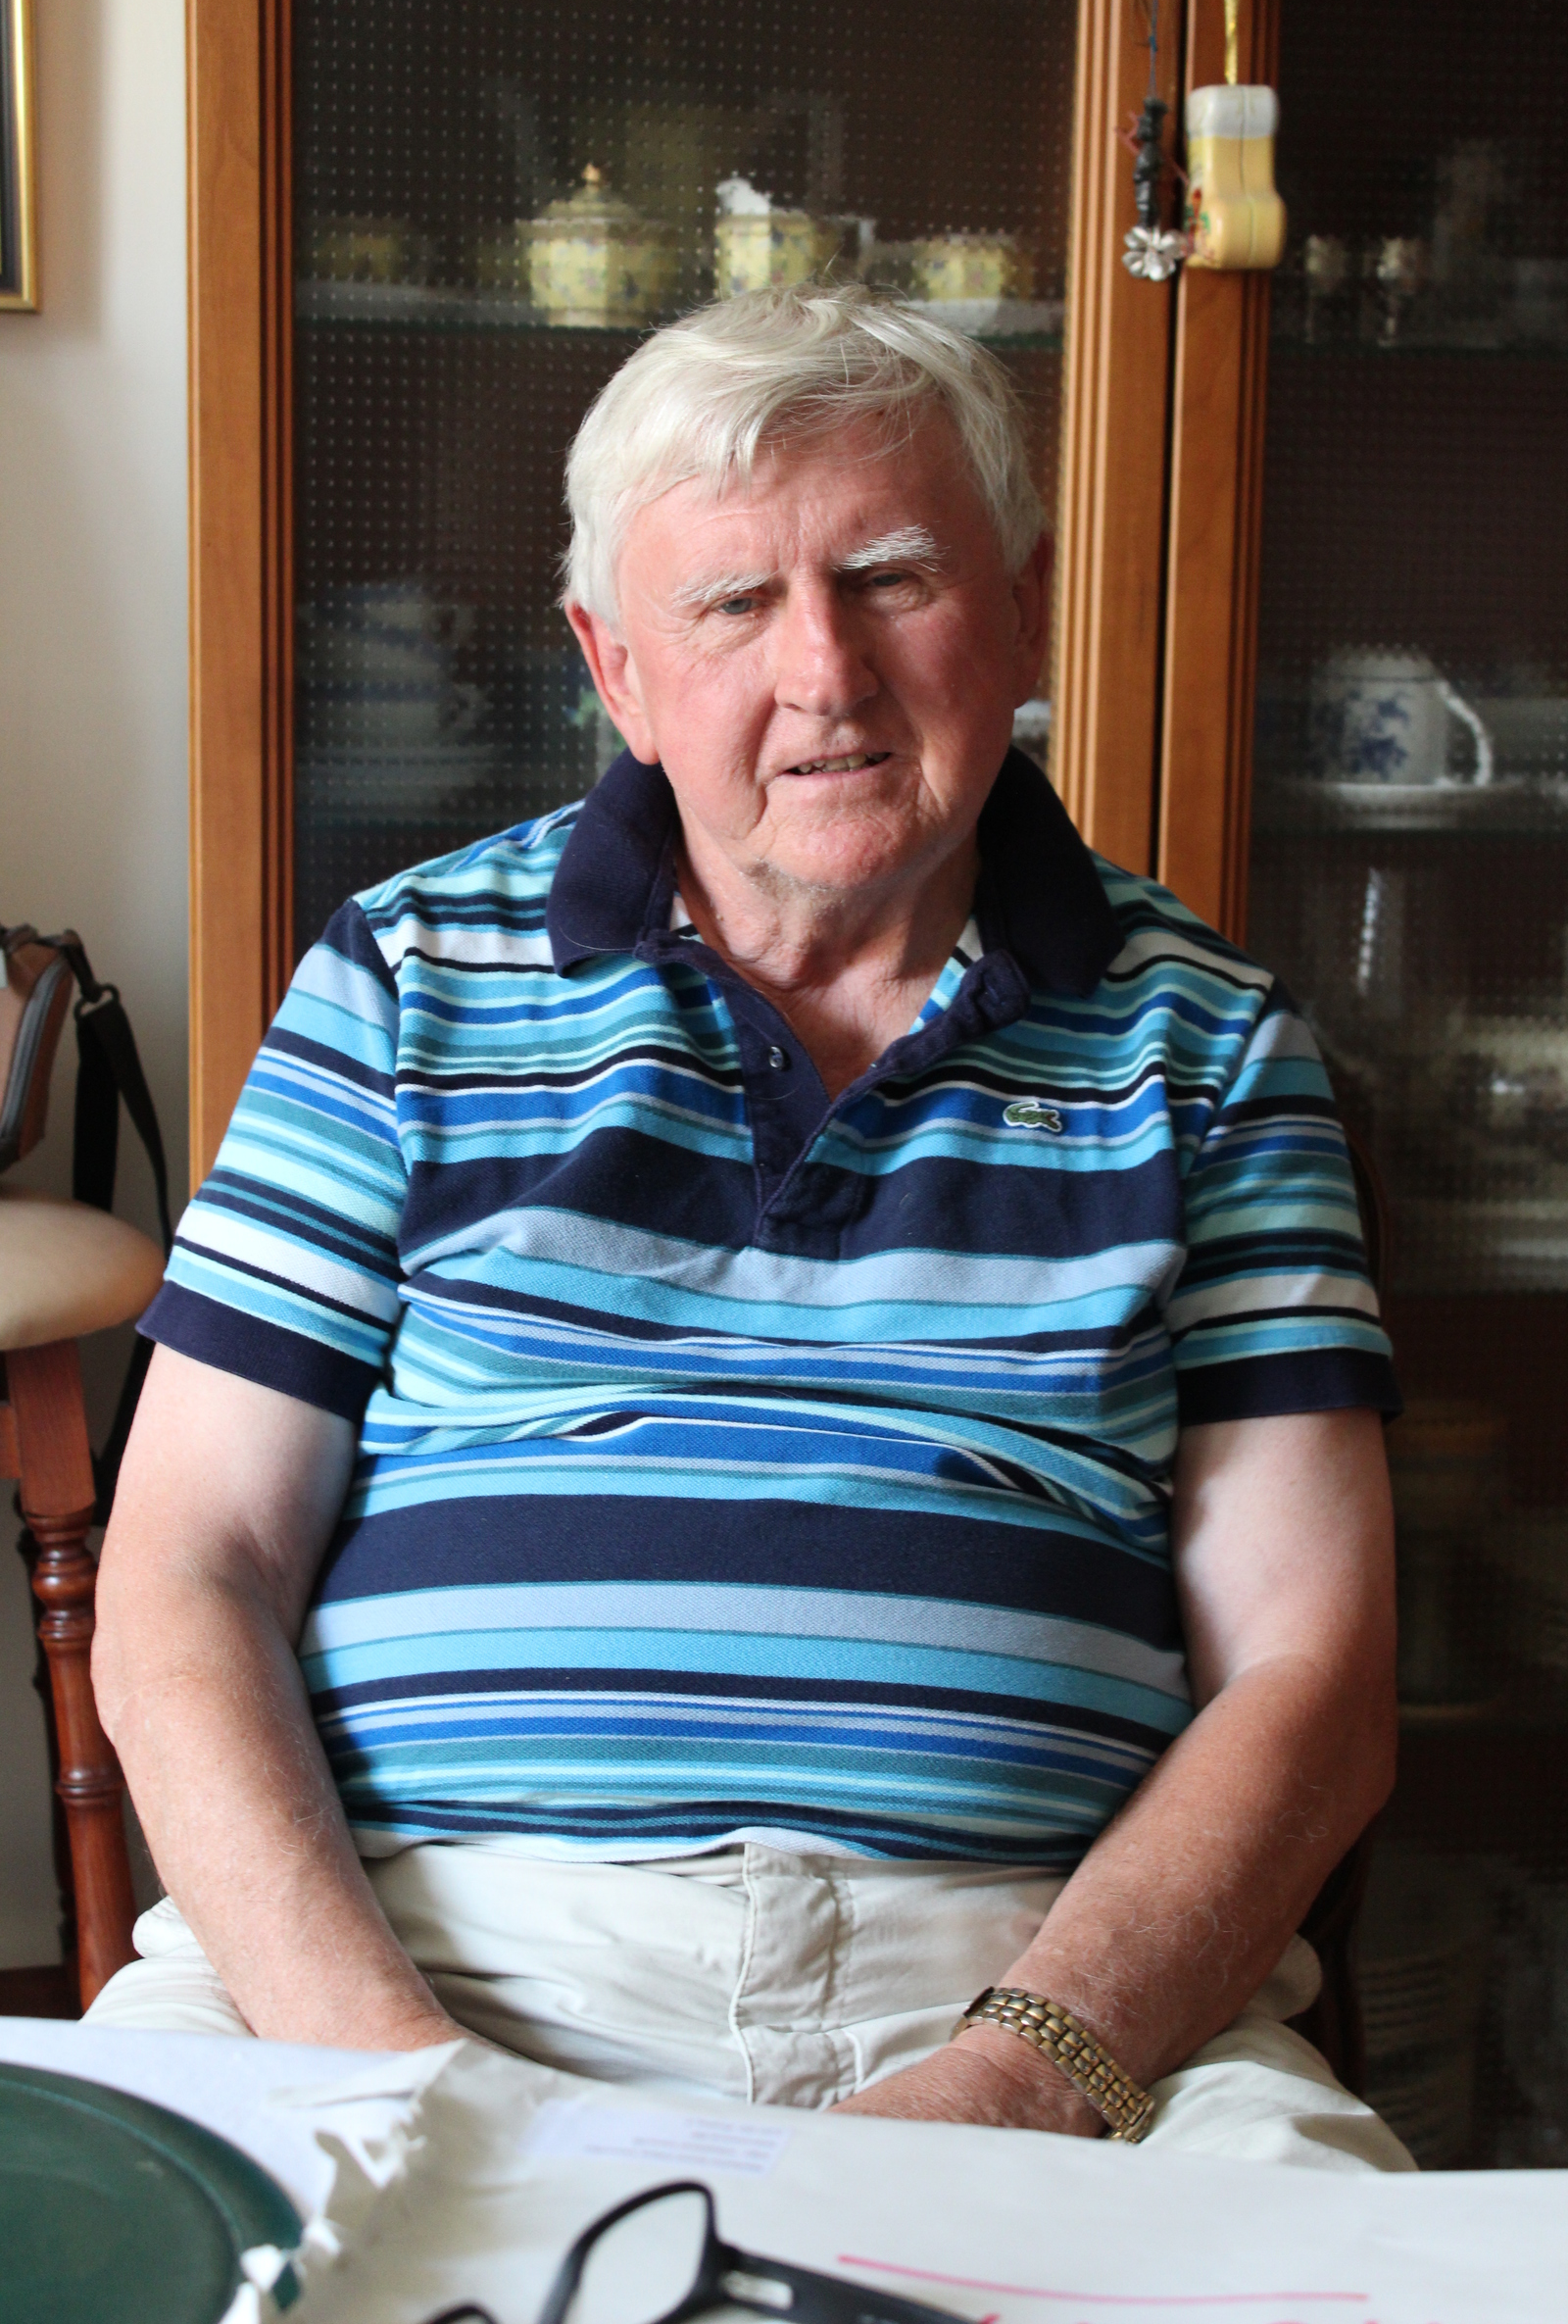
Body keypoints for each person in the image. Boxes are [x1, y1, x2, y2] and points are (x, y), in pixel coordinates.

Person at [89, 284, 1409, 2169]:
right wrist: (393, 2067)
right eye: (731, 602)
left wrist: (1013, 2084)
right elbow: (185, 1573)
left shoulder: (1210, 1043)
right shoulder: (404, 980)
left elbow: (1315, 1675)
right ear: (615, 668)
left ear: (1025, 606)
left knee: (1333, 2268)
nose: (825, 672)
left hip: (1037, 1982)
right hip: (422, 1949)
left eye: (892, 577)